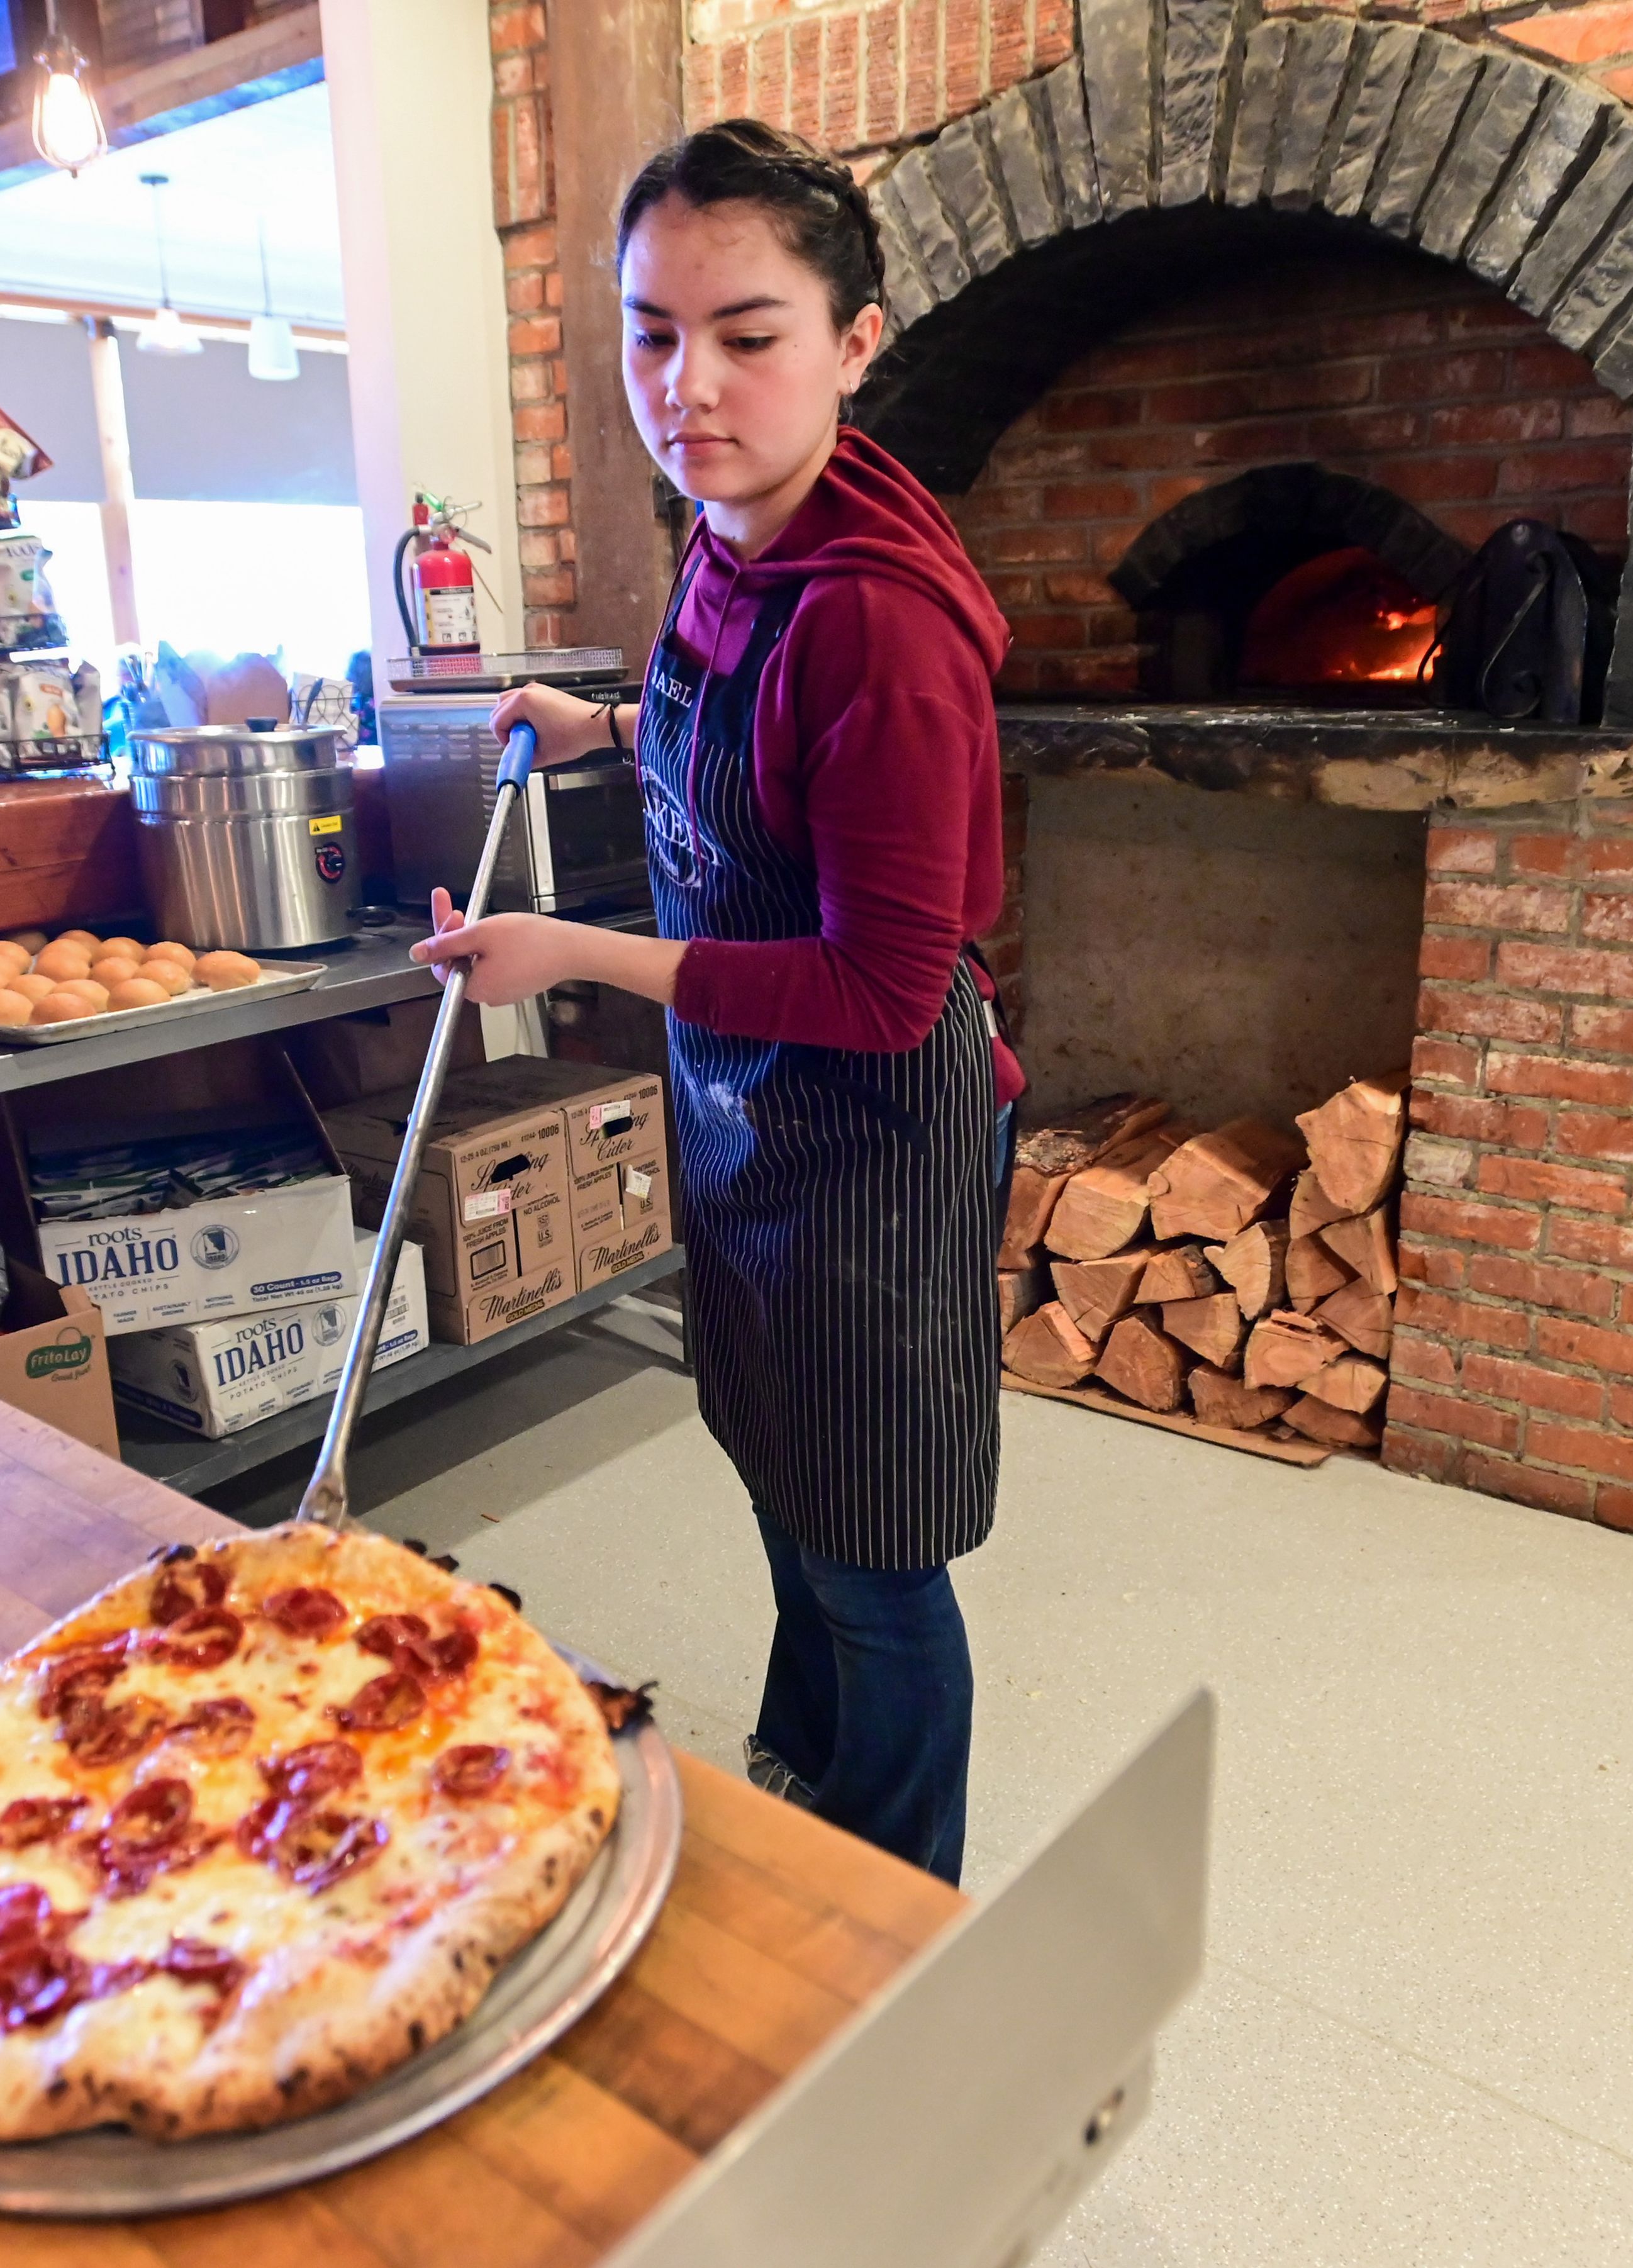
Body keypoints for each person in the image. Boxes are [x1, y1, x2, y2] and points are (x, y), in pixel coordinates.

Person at [411, 118, 1018, 1884]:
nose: (690, 385)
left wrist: (577, 956)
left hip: (869, 1135)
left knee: (874, 1553)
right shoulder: (739, 529)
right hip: (754, 1108)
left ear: (855, 341)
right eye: (651, 331)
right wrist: (598, 722)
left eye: (748, 334)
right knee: (776, 1466)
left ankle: (896, 1903)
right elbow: (737, 749)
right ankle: (800, 1795)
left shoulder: (880, 632)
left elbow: (888, 984)